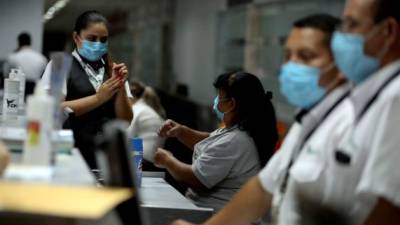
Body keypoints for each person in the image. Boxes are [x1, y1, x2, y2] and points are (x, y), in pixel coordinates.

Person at [171, 13, 349, 225]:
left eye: (306, 56)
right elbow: (262, 189)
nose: (292, 66)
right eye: (288, 56)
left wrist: (165, 159)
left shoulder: (349, 123)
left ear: (341, 64)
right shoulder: (306, 121)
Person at [155, 72, 278, 211]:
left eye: (219, 96)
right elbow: (211, 142)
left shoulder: (235, 141)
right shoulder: (237, 130)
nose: (216, 101)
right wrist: (181, 132)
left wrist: (167, 160)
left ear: (231, 104)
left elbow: (195, 178)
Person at [41, 10, 133, 169]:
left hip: (109, 158)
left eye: (103, 39)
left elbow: (126, 120)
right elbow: (50, 110)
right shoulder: (59, 65)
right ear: (76, 37)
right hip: (71, 153)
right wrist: (98, 98)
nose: (98, 44)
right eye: (92, 38)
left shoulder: (113, 68)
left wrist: (121, 86)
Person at [128, 81, 166, 162]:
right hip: (153, 161)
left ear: (131, 96)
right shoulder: (148, 109)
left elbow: (127, 137)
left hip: (142, 160)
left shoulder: (137, 109)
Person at [3, 32, 47, 96]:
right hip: (35, 91)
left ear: (18, 42)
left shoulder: (12, 57)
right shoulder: (41, 58)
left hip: (16, 90)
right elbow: (44, 76)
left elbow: (6, 74)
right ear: (30, 42)